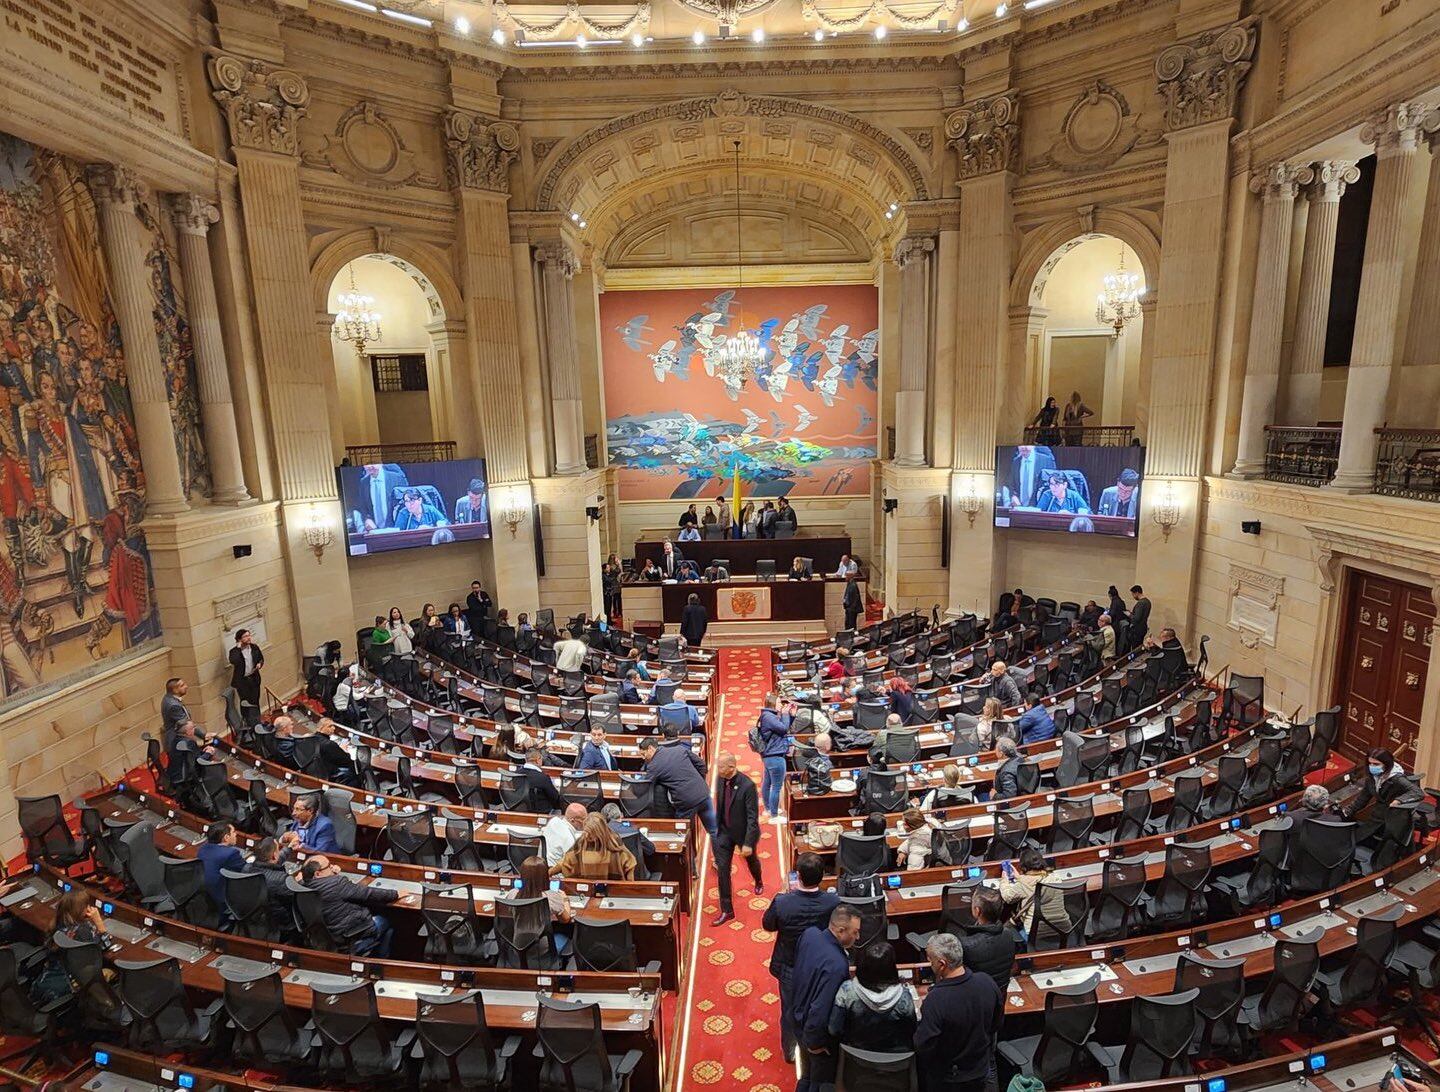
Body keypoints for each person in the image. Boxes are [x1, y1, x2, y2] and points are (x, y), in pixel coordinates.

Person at [764, 852, 842, 1063]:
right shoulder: (833, 901)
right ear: (823, 876)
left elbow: (767, 925)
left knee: (789, 1010)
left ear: (798, 876)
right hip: (821, 966)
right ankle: (813, 1049)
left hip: (790, 965)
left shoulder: (783, 902)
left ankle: (790, 1052)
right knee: (819, 1004)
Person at [914, 932, 1004, 1092]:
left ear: (942, 964)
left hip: (949, 1079)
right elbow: (996, 1024)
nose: (929, 963)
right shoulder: (987, 982)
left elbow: (923, 1045)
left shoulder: (935, 1000)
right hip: (980, 1071)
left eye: (930, 959)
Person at [790, 904, 863, 1092]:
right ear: (840, 930)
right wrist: (815, 1043)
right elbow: (821, 1007)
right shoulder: (837, 965)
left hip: (797, 1018)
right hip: (815, 1034)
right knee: (819, 1081)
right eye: (855, 933)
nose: (858, 938)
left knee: (805, 1074)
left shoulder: (810, 935)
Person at [827, 941, 918, 1053]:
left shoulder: (847, 991)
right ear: (891, 968)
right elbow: (913, 1031)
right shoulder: (904, 996)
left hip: (856, 1058)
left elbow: (834, 1029)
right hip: (896, 1062)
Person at [300, 855, 399, 957]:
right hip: (348, 938)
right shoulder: (337, 884)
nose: (333, 867)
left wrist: (332, 875)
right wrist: (396, 894)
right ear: (318, 874)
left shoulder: (302, 886)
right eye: (329, 866)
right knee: (388, 919)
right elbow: (368, 893)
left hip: (324, 940)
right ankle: (378, 964)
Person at [711, 753, 762, 925]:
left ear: (731, 768)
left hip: (742, 834)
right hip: (724, 832)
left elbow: (752, 818)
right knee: (723, 871)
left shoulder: (747, 786)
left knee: (752, 861)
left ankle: (758, 880)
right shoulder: (720, 778)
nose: (717, 770)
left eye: (720, 766)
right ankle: (727, 910)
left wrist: (748, 843)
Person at [640, 727, 713, 834]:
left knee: (680, 833)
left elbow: (645, 787)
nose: (643, 758)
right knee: (714, 831)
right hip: (704, 793)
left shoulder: (653, 765)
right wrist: (697, 782)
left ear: (650, 748)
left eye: (643, 754)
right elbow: (702, 765)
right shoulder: (680, 749)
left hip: (687, 803)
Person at [957, 887, 1018, 990]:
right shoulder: (1009, 934)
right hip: (1000, 995)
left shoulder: (966, 944)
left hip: (977, 997)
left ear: (977, 911)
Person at [1343, 747, 1424, 818]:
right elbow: (1363, 798)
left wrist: (1399, 800)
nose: (1372, 767)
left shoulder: (1397, 778)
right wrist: (1347, 811)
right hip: (1379, 813)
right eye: (1370, 763)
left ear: (1386, 764)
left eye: (1376, 764)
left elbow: (1418, 793)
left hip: (1395, 816)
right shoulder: (1372, 777)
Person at [553, 812, 637, 880]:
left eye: (591, 833)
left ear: (600, 831)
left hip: (613, 890)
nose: (587, 836)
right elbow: (566, 861)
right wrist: (549, 873)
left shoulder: (614, 842)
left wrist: (629, 888)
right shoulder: (582, 842)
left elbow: (630, 863)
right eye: (586, 831)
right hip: (584, 889)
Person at [996, 845, 1056, 935]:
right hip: (1060, 927)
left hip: (1035, 932)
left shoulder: (1023, 884)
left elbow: (1007, 897)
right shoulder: (1054, 877)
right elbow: (1035, 883)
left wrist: (1004, 880)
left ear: (1023, 868)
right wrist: (1020, 878)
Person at [244, 837, 295, 934]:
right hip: (277, 923)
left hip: (250, 918)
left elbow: (268, 863)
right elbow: (298, 898)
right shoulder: (281, 879)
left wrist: (289, 848)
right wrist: (300, 882)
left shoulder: (247, 868)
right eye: (278, 850)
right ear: (275, 856)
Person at [518, 855, 573, 944]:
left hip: (517, 947)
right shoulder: (551, 897)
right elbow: (565, 919)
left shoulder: (512, 894)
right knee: (569, 934)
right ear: (545, 876)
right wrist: (565, 899)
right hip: (543, 950)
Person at [197, 820, 245, 911]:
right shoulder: (231, 853)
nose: (236, 834)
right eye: (233, 832)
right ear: (226, 838)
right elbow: (246, 870)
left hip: (204, 899)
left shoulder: (202, 849)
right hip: (222, 901)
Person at [1006, 444, 1056, 509]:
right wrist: (1013, 496)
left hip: (1039, 508)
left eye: (1027, 445)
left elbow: (1052, 482)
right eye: (1021, 445)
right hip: (1019, 508)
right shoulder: (1016, 462)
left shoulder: (1046, 460)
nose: (1024, 447)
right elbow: (1011, 483)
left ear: (1034, 446)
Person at [541, 803, 589, 867]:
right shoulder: (569, 839)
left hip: (542, 868)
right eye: (583, 819)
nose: (586, 822)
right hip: (558, 874)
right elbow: (574, 865)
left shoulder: (553, 821)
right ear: (572, 820)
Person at [228, 628, 264, 710]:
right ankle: (247, 720)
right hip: (242, 681)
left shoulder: (254, 647)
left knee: (255, 701)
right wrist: (238, 648)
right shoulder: (234, 651)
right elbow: (234, 661)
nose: (249, 638)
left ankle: (256, 719)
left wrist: (259, 664)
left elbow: (261, 658)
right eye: (245, 636)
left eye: (249, 635)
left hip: (254, 678)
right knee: (245, 703)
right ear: (239, 639)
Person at [521, 747, 566, 812]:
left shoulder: (515, 774)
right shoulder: (543, 778)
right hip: (541, 813)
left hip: (520, 811)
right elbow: (555, 798)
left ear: (525, 759)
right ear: (538, 760)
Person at [161, 677, 191, 750]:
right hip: (177, 741)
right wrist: (203, 735)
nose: (186, 686)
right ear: (175, 690)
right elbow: (186, 725)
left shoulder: (168, 698)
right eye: (182, 685)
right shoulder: (174, 705)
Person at [1128, 584, 1151, 650]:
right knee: (1139, 647)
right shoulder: (1148, 602)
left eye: (1133, 594)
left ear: (1137, 593)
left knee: (1135, 648)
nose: (1133, 596)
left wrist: (1129, 614)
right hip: (1143, 627)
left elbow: (1137, 618)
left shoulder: (1140, 603)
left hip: (1137, 629)